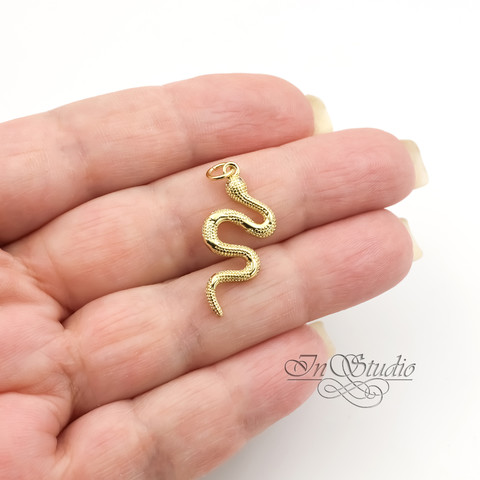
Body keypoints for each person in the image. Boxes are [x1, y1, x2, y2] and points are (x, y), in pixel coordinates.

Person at [0, 74, 427, 479]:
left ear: (235, 186)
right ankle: (220, 285)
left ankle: (222, 282)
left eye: (231, 180)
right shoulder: (233, 214)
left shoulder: (246, 212)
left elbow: (260, 222)